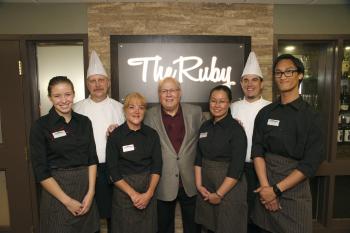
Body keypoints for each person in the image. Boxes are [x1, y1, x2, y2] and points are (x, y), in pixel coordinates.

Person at [251, 54, 326, 233]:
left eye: (289, 72)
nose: (283, 76)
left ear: (300, 75)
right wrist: (266, 188)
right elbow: (258, 150)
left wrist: (276, 190)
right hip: (266, 182)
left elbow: (310, 163)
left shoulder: (312, 116)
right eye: (278, 73)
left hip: (294, 189)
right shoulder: (265, 113)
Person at [30, 76, 99, 233]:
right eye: (57, 96)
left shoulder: (84, 122)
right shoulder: (41, 126)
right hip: (57, 194)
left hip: (85, 191)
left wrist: (91, 192)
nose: (64, 100)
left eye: (67, 94)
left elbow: (92, 159)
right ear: (50, 98)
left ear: (74, 94)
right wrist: (67, 201)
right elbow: (41, 172)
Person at [144, 77, 203, 233]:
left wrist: (233, 121)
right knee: (163, 228)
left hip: (190, 182)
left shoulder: (195, 112)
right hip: (162, 182)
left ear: (180, 93)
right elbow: (134, 128)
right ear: (159, 94)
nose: (168, 94)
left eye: (172, 90)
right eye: (164, 91)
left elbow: (211, 128)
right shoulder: (148, 115)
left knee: (193, 228)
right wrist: (113, 128)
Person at [74, 50, 125, 232]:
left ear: (108, 83)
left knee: (114, 214)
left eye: (101, 80)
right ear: (87, 84)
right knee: (87, 215)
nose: (97, 85)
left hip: (112, 169)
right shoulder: (76, 109)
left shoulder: (120, 109)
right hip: (85, 169)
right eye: (93, 81)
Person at [106, 92, 162, 233]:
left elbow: (157, 166)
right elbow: (113, 170)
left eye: (141, 107)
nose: (137, 111)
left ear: (144, 111)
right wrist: (133, 195)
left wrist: (148, 194)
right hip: (124, 192)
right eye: (132, 107)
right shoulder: (115, 136)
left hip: (148, 189)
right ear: (125, 111)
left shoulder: (152, 134)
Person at [195, 85, 248, 233]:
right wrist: (199, 186)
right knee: (208, 226)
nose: (217, 105)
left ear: (229, 103)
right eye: (213, 101)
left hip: (229, 187)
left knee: (229, 226)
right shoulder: (204, 126)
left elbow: (236, 168)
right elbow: (198, 157)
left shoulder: (236, 130)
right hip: (206, 186)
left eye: (222, 101)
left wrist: (219, 194)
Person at [230, 51, 271, 233]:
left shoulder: (271, 108)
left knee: (261, 215)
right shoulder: (232, 108)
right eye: (246, 80)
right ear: (241, 84)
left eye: (254, 80)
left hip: (264, 169)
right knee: (239, 213)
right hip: (238, 169)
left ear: (261, 84)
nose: (250, 84)